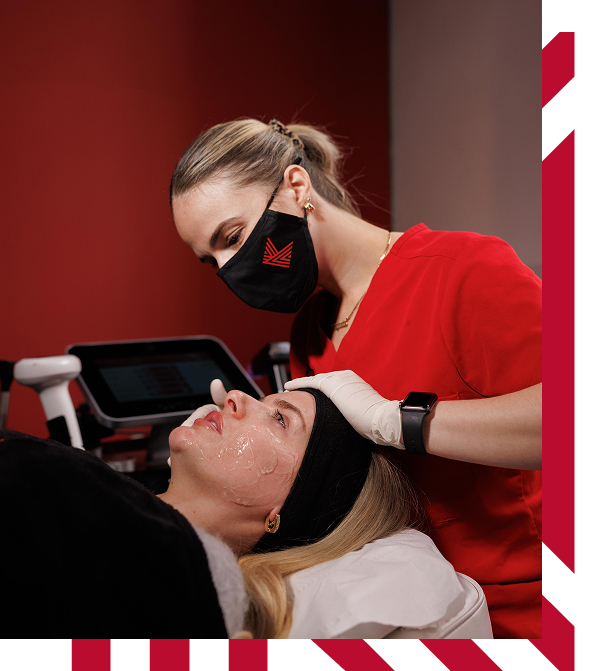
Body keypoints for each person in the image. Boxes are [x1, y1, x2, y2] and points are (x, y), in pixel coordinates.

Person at [170, 117, 542, 638]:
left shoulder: (460, 270)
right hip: (405, 602)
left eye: (232, 237)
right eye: (212, 261)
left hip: (522, 608)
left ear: (296, 187)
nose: (230, 268)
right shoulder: (311, 332)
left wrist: (397, 421)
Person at [0, 388, 418, 639]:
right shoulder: (113, 502)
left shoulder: (178, 569)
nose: (234, 396)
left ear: (282, 511)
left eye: (279, 419)